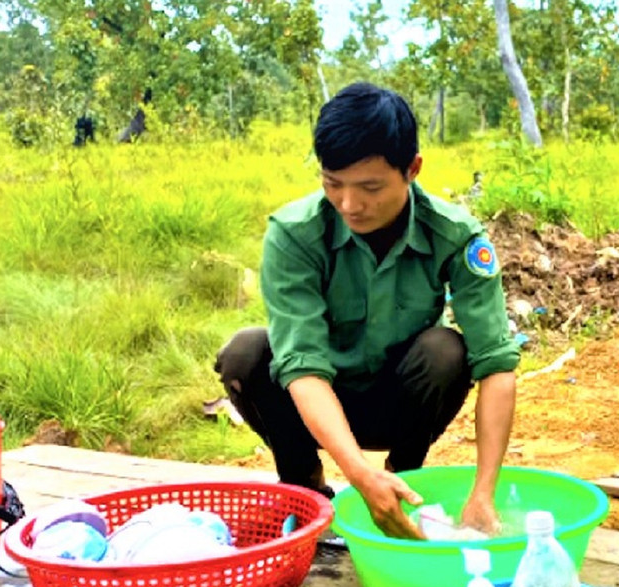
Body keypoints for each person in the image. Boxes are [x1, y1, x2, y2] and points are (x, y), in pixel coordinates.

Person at [215, 83, 519, 540]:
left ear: (412, 169)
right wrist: (356, 472)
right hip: (315, 405)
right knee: (246, 352)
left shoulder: (454, 236)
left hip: (396, 405)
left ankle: (403, 480)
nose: (350, 205)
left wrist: (483, 494)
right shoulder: (295, 235)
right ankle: (307, 489)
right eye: (332, 184)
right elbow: (303, 368)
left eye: (370, 187)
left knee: (445, 350)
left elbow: (497, 366)